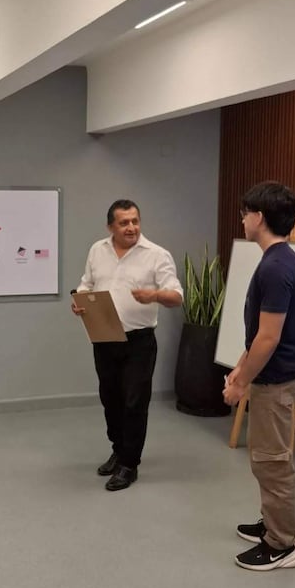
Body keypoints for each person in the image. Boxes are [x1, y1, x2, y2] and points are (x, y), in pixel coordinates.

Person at [223, 181, 295, 571]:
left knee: (272, 461)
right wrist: (241, 369)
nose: (242, 218)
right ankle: (272, 523)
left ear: (259, 217)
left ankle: (281, 544)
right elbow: (258, 333)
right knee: (265, 458)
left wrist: (241, 382)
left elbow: (269, 338)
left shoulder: (276, 266)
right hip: (273, 374)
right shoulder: (278, 258)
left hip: (276, 379)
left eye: (246, 212)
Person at [73, 199, 183, 491]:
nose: (131, 227)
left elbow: (177, 296)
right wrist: (81, 300)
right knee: (110, 399)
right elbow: (86, 283)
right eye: (124, 223)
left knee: (135, 402)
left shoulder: (157, 255)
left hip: (139, 342)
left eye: (135, 221)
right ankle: (118, 449)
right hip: (104, 336)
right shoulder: (98, 250)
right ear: (111, 226)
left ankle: (129, 465)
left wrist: (156, 295)